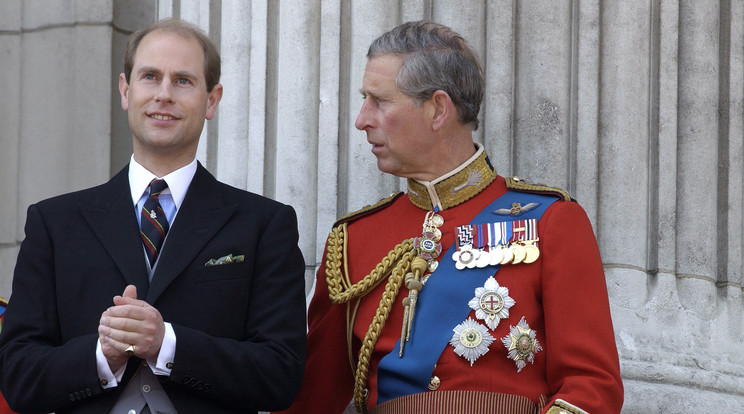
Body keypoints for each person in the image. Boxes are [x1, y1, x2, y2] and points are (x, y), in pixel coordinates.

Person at [279, 21, 623, 414]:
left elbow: (591, 388)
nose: (362, 119)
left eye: (379, 100)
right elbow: (309, 400)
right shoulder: (353, 239)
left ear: (438, 109)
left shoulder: (551, 221)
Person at [0, 18, 306, 414]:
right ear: (126, 90)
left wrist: (168, 345)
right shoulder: (54, 223)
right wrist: (102, 356)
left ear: (212, 100)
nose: (164, 94)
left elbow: (281, 374)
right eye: (150, 77)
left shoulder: (265, 224)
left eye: (183, 80)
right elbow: (18, 374)